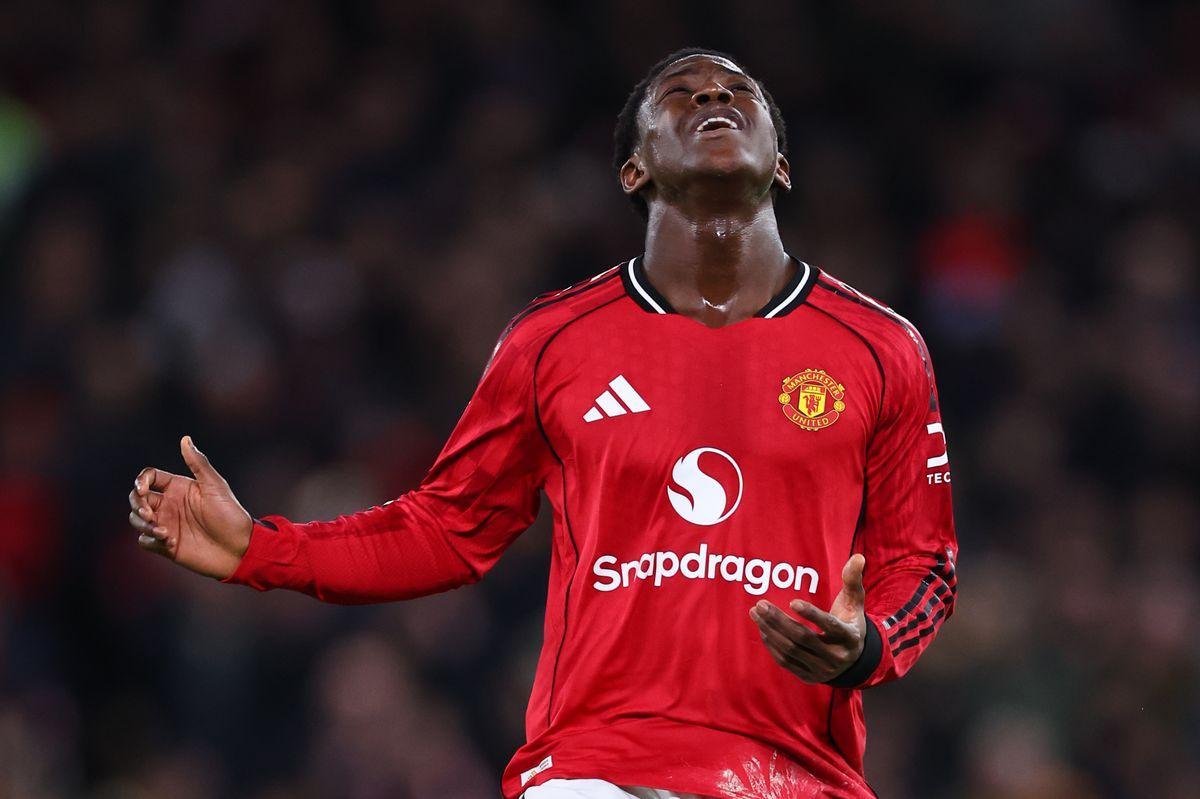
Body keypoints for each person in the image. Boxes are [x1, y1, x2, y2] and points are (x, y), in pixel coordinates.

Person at [128, 48, 958, 799]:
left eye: (740, 91)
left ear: (781, 163)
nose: (714, 96)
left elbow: (924, 562)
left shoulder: (881, 348)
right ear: (634, 169)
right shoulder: (554, 340)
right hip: (597, 768)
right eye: (682, 93)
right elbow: (447, 527)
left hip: (797, 775)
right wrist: (261, 549)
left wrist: (871, 645)